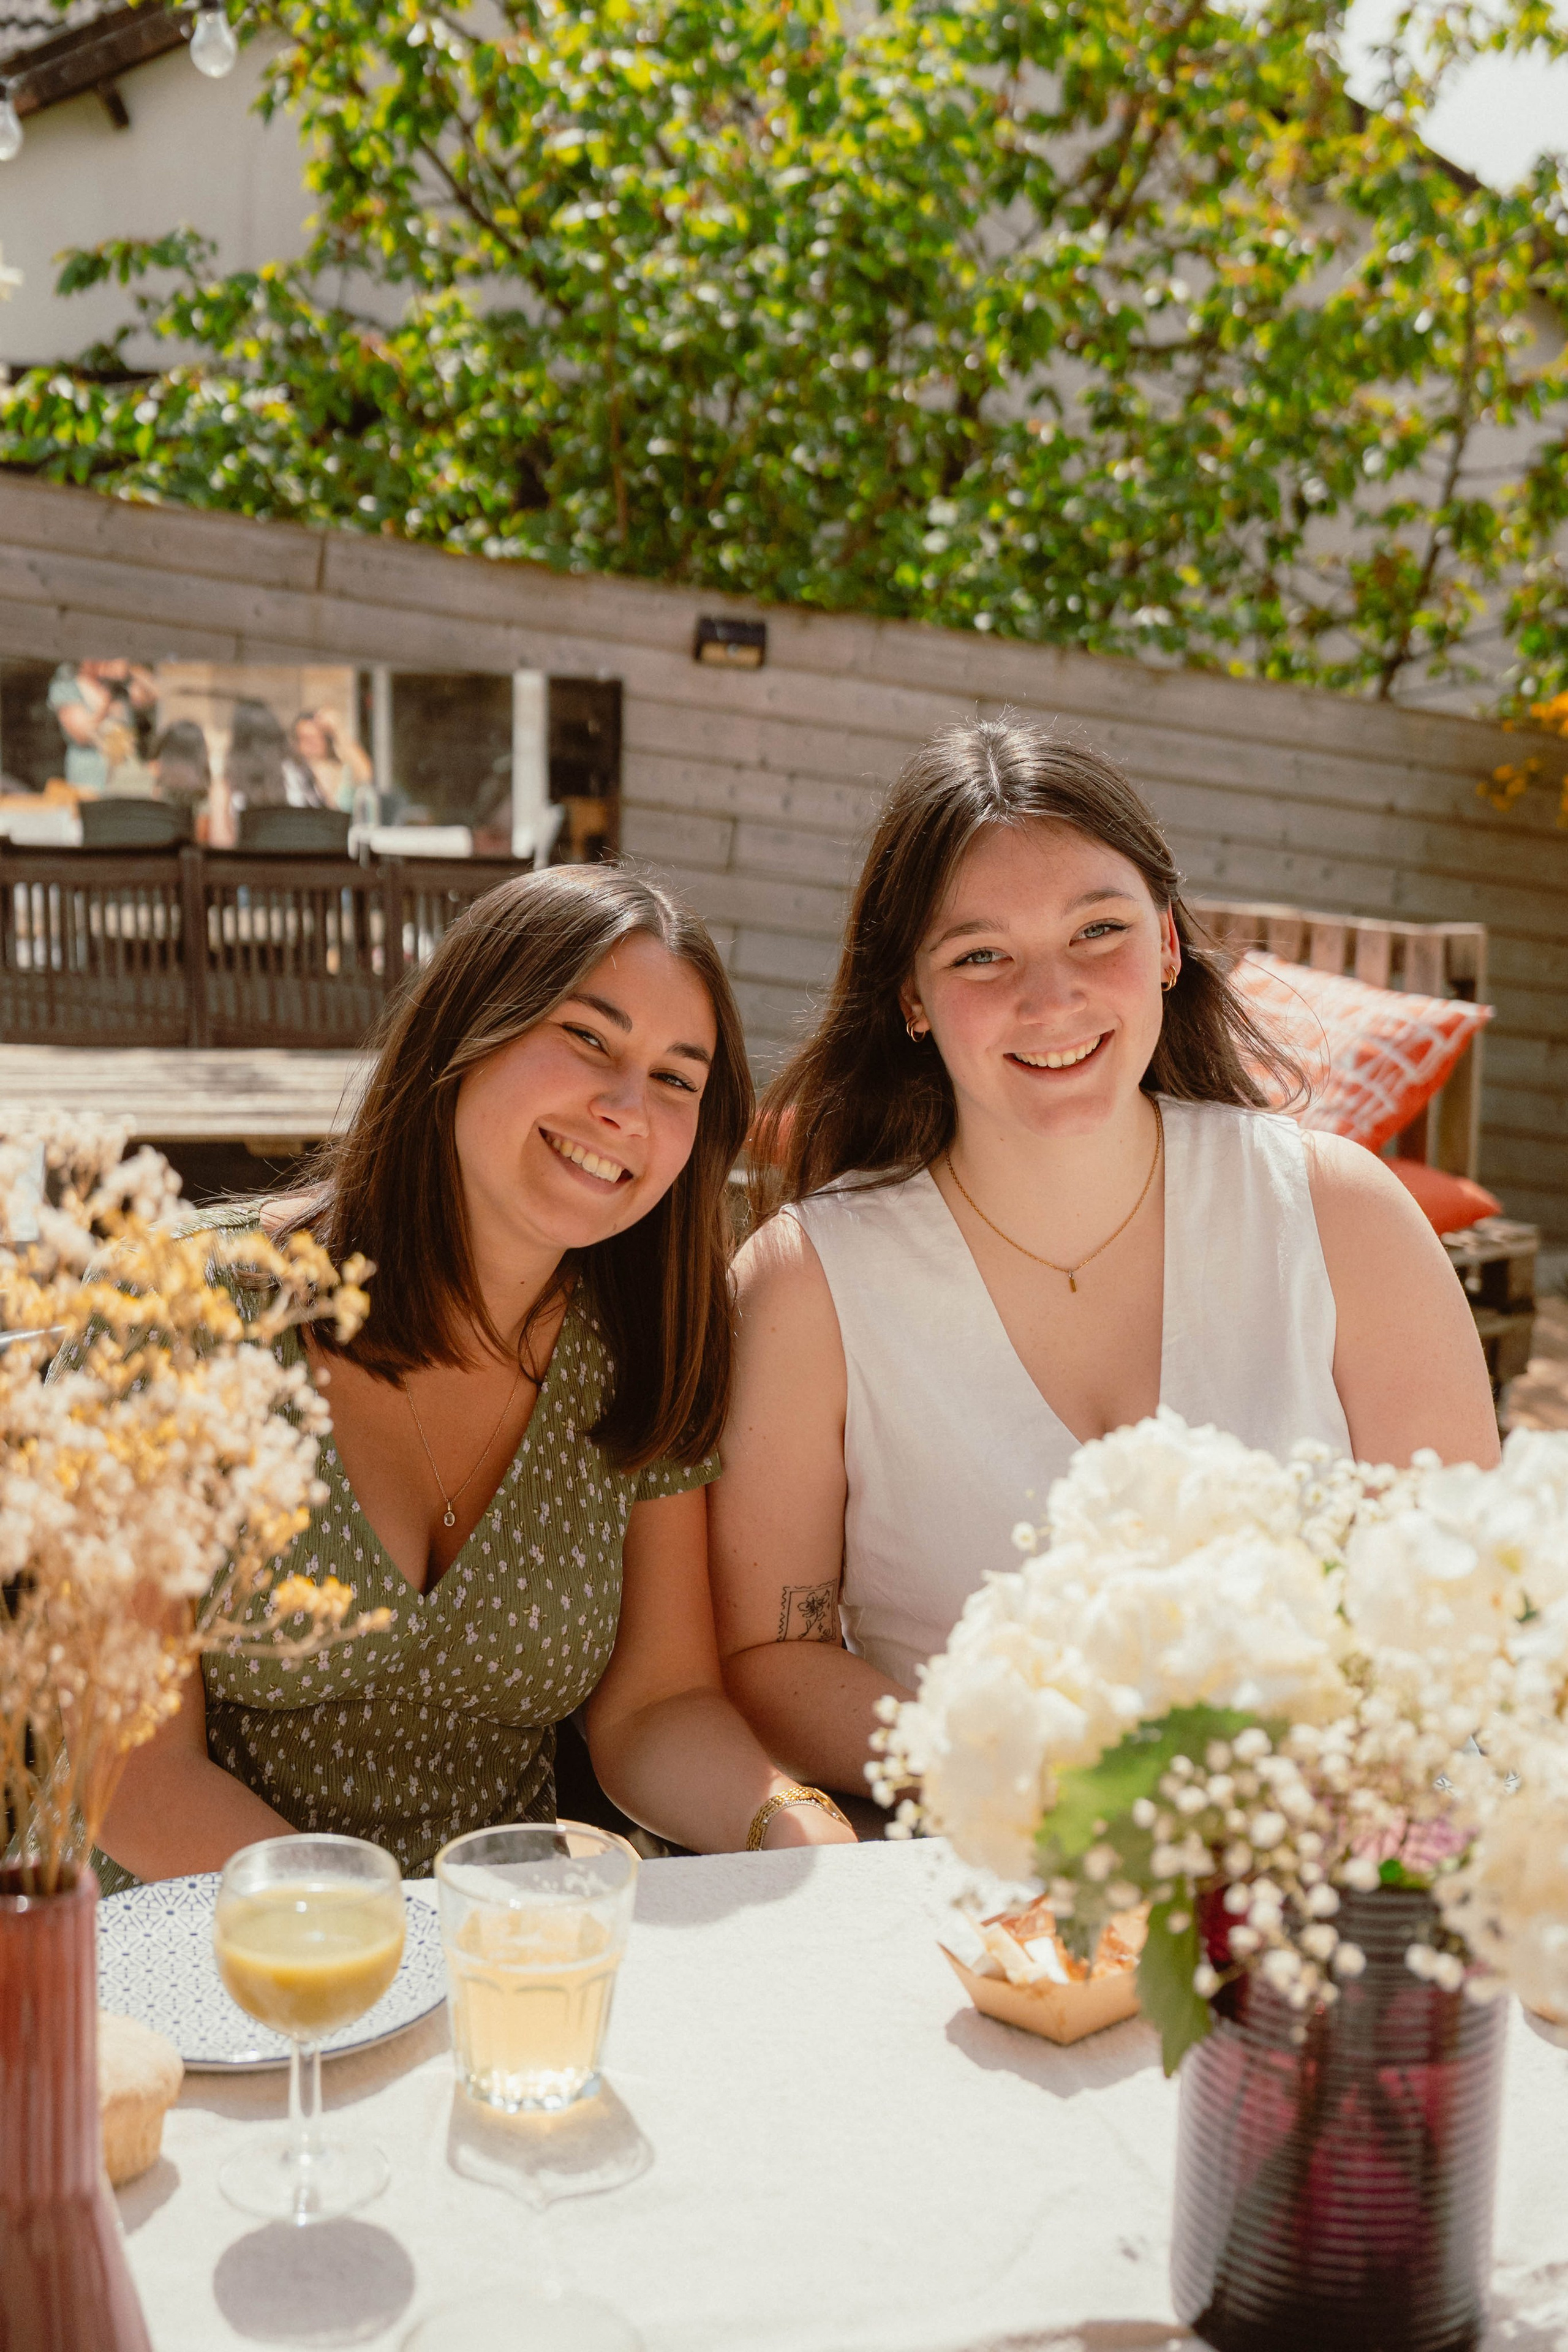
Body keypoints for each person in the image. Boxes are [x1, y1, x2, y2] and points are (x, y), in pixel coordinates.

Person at [707, 721, 1501, 1800]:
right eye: (981, 954)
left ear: (1166, 944)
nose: (1052, 998)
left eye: (1098, 930)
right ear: (911, 998)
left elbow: (1463, 1601)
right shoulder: (807, 1285)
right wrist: (1025, 1782)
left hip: (1329, 1851)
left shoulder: (1342, 1219)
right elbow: (770, 1651)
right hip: (971, 1864)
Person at [97, 867, 857, 1883]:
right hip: (193, 1937)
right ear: (464, 1033)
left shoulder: (643, 1349)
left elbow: (657, 1707)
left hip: (501, 1947)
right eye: (588, 1038)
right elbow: (131, 1777)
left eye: (677, 1080)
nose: (627, 1108)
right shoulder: (184, 1311)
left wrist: (794, 1830)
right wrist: (381, 1934)